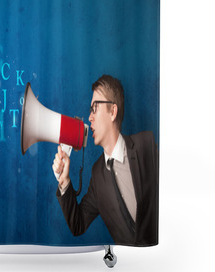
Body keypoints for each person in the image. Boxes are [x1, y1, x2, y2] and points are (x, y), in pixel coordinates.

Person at [52, 75, 158, 246]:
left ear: (113, 112)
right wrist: (64, 181)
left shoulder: (146, 146)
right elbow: (77, 225)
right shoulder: (97, 175)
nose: (89, 117)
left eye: (95, 108)